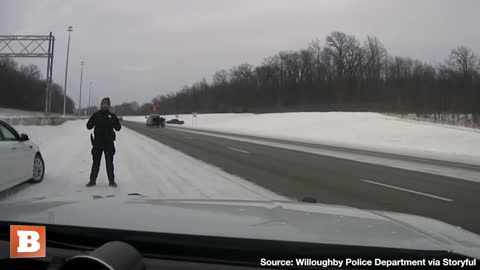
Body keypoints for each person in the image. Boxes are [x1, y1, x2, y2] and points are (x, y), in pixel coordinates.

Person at [86, 97, 121, 187]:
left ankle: (112, 181)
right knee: (95, 162)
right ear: (100, 105)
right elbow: (88, 126)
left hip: (108, 143)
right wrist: (91, 122)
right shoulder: (96, 115)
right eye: (103, 104)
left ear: (109, 106)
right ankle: (92, 181)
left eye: (106, 104)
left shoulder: (112, 116)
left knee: (109, 163)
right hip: (97, 143)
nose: (104, 105)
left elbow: (118, 128)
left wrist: (114, 122)